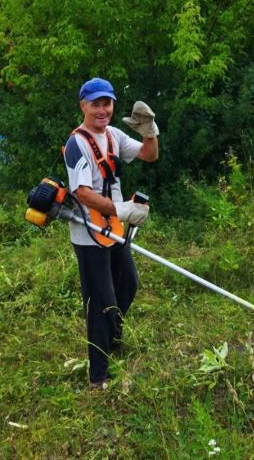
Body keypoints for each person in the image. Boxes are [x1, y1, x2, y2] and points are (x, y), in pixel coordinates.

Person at [63, 77, 159, 390]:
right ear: (83, 106)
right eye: (96, 104)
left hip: (114, 228)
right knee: (100, 300)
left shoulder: (114, 135)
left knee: (128, 282)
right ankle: (98, 376)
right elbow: (82, 192)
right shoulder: (77, 143)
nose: (102, 110)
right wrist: (121, 209)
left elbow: (148, 155)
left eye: (107, 103)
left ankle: (112, 337)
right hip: (88, 232)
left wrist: (149, 131)